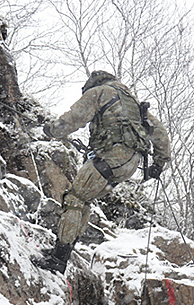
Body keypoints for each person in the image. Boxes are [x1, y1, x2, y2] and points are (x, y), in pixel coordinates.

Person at [34, 70, 171, 274]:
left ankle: (58, 259)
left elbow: (76, 117)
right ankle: (63, 251)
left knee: (75, 199)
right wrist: (158, 164)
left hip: (111, 156)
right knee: (84, 200)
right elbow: (160, 133)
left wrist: (52, 130)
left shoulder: (100, 92)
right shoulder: (133, 104)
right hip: (129, 163)